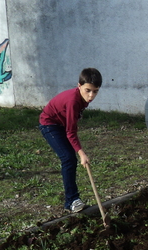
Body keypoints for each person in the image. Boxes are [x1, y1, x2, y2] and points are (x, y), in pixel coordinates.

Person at [39, 68, 102, 213]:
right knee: (68, 158)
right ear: (79, 86)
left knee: (69, 158)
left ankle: (72, 200)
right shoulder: (73, 101)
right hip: (49, 124)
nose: (91, 95)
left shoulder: (82, 98)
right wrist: (82, 154)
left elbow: (70, 128)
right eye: (88, 90)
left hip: (60, 124)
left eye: (95, 91)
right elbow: (71, 132)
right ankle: (72, 201)